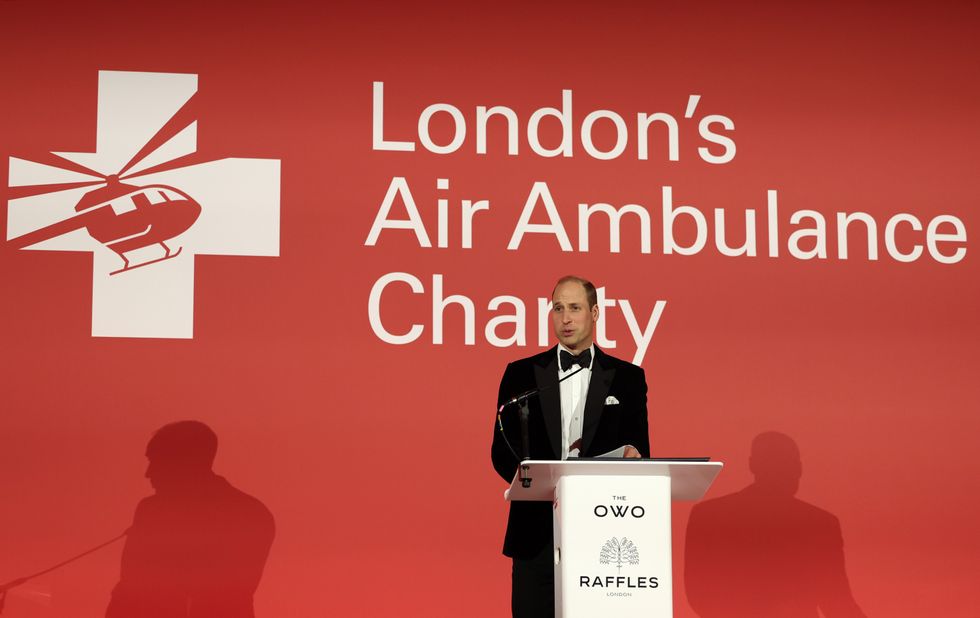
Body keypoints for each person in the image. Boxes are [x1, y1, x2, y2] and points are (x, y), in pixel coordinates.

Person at [491, 275, 651, 618]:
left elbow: (640, 452)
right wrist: (534, 480)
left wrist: (631, 457)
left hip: (604, 531)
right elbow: (501, 450)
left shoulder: (628, 378)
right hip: (535, 531)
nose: (565, 318)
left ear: (595, 313)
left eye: (575, 308)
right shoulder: (521, 374)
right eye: (558, 308)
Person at [684, 431, 867, 618]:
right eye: (788, 464)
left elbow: (698, 594)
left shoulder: (710, 514)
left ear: (752, 465)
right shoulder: (821, 523)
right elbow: (836, 601)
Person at [106, 421, 275, 618]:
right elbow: (128, 590)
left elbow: (224, 593)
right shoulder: (151, 509)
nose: (148, 473)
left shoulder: (249, 516)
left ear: (185, 464)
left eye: (157, 462)